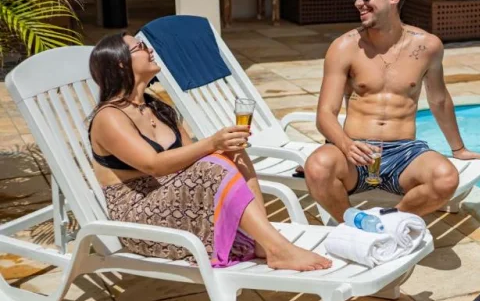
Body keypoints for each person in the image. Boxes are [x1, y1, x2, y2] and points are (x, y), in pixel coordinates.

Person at [88, 33, 331, 271]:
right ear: (120, 63)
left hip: (175, 203)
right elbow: (153, 164)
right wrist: (212, 143)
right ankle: (278, 249)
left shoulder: (156, 108)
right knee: (211, 163)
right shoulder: (109, 116)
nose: (149, 49)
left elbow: (190, 158)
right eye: (140, 46)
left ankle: (263, 242)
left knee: (233, 153)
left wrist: (223, 146)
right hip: (141, 219)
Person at [302, 0, 480, 222]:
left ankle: (390, 222)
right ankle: (353, 224)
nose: (358, 3)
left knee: (445, 179)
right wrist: (346, 144)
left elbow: (439, 100)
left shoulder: (428, 46)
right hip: (355, 150)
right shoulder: (344, 47)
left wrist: (459, 148)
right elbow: (325, 113)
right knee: (317, 167)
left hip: (404, 153)